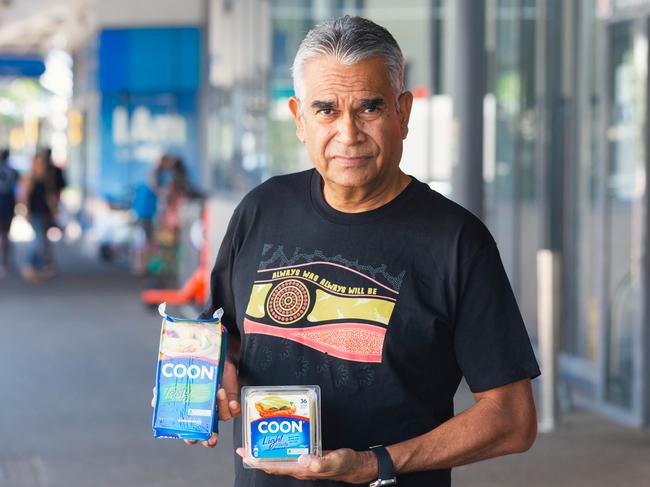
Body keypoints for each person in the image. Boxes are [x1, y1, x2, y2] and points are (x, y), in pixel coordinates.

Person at [184, 16, 540, 487]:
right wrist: (205, 381)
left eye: (369, 108)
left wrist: (376, 464)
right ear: (299, 119)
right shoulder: (262, 209)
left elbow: (512, 418)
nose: (348, 133)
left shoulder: (456, 242)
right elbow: (224, 334)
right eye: (327, 110)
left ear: (403, 113)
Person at [21, 153, 58, 282]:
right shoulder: (30, 178)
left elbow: (51, 196)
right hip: (35, 213)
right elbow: (24, 197)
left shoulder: (47, 178)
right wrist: (25, 212)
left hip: (45, 213)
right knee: (38, 241)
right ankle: (29, 265)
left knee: (44, 241)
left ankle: (41, 266)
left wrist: (54, 210)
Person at [0, 148, 18, 277]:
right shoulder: (13, 171)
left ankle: (5, 263)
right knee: (6, 235)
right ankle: (6, 263)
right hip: (8, 205)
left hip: (5, 204)